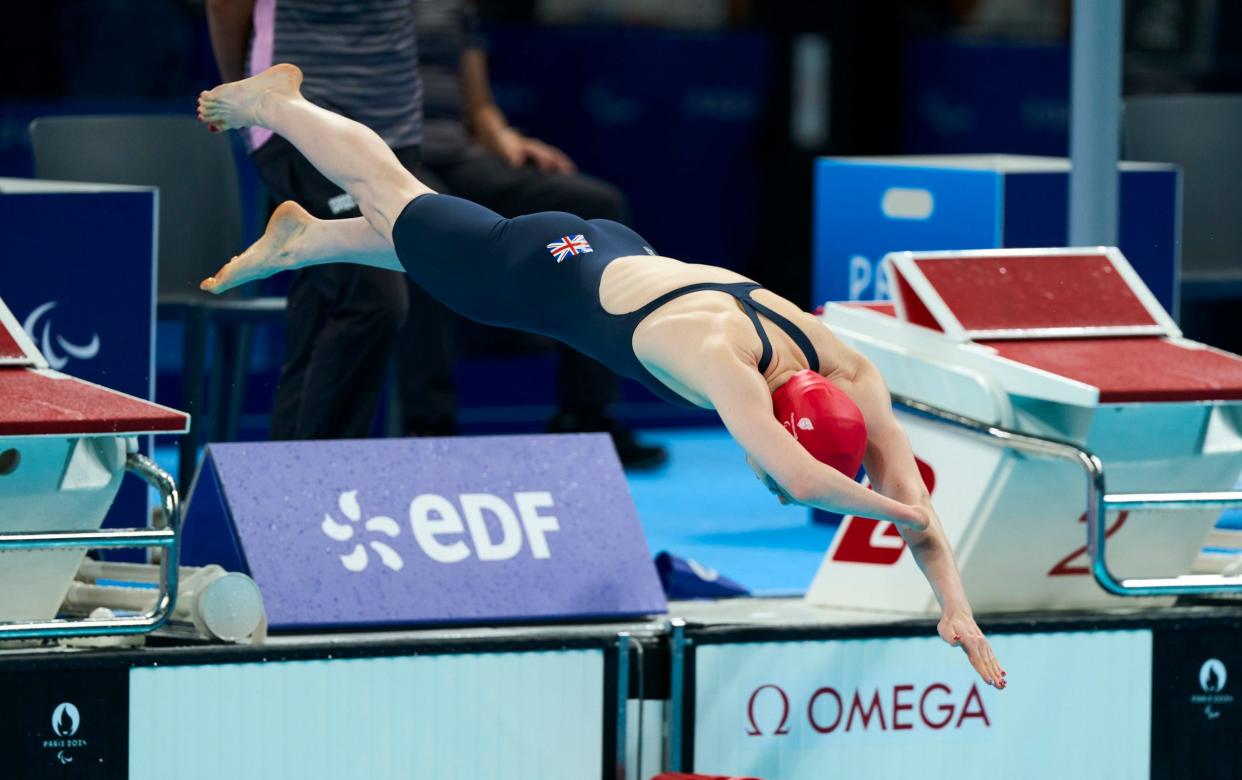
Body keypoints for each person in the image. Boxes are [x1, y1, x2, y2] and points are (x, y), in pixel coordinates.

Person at [197, 64, 1007, 690]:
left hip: (613, 247)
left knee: (441, 253)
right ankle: (279, 105)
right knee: (396, 194)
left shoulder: (843, 359)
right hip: (539, 269)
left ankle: (308, 239)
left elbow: (902, 493)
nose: (761, 475)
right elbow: (799, 478)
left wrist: (956, 606)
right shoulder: (718, 361)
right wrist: (893, 510)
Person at [397, 0, 666, 468]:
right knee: (429, 225)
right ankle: (429, 424)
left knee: (594, 206)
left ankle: (586, 415)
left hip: (462, 158)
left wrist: (506, 138)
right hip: (393, 160)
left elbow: (477, 104)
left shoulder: (454, 7)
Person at [205, 0, 421, 439]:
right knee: (373, 298)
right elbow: (225, 6)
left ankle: (285, 477)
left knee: (324, 304)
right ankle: (323, 477)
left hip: (392, 127)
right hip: (299, 117)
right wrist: (246, 101)